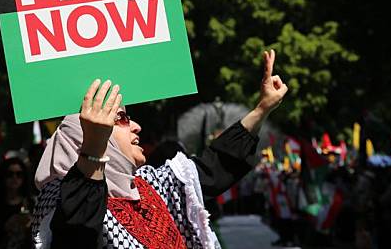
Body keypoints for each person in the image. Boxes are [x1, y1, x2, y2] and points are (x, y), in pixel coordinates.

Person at [32, 49, 288, 248]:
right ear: (83, 135)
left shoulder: (149, 185)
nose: (136, 126)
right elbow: (78, 234)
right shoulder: (59, 200)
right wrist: (95, 145)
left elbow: (213, 168)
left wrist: (262, 109)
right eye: (120, 119)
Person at [0, 157, 34, 249]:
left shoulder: (30, 203)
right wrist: (7, 226)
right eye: (9, 174)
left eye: (19, 174)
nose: (14, 178)